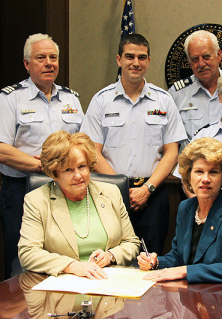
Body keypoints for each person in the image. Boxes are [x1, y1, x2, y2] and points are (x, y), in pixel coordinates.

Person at [0, 33, 84, 278]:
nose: (49, 63)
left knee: (66, 257)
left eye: (53, 57)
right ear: (27, 64)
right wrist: (43, 167)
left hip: (65, 191)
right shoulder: (11, 99)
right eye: (41, 58)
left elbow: (82, 144)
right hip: (22, 189)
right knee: (23, 262)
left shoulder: (71, 99)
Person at [80, 33, 187, 255]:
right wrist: (121, 188)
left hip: (153, 193)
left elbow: (172, 152)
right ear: (119, 60)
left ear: (149, 61)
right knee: (111, 258)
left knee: (151, 259)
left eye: (142, 57)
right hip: (109, 193)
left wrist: (147, 190)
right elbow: (92, 152)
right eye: (130, 57)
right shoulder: (101, 100)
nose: (135, 63)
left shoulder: (164, 100)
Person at [18, 131, 140, 278]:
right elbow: (28, 253)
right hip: (60, 283)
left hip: (107, 279)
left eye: (82, 166)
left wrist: (110, 256)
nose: (78, 175)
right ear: (54, 173)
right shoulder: (37, 200)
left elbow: (131, 242)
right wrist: (71, 266)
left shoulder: (110, 193)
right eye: (68, 169)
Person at [137, 137, 222, 284]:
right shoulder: (186, 208)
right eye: (199, 171)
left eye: (213, 172)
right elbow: (178, 256)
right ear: (188, 177)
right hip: (189, 294)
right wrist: (156, 261)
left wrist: (185, 270)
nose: (205, 179)